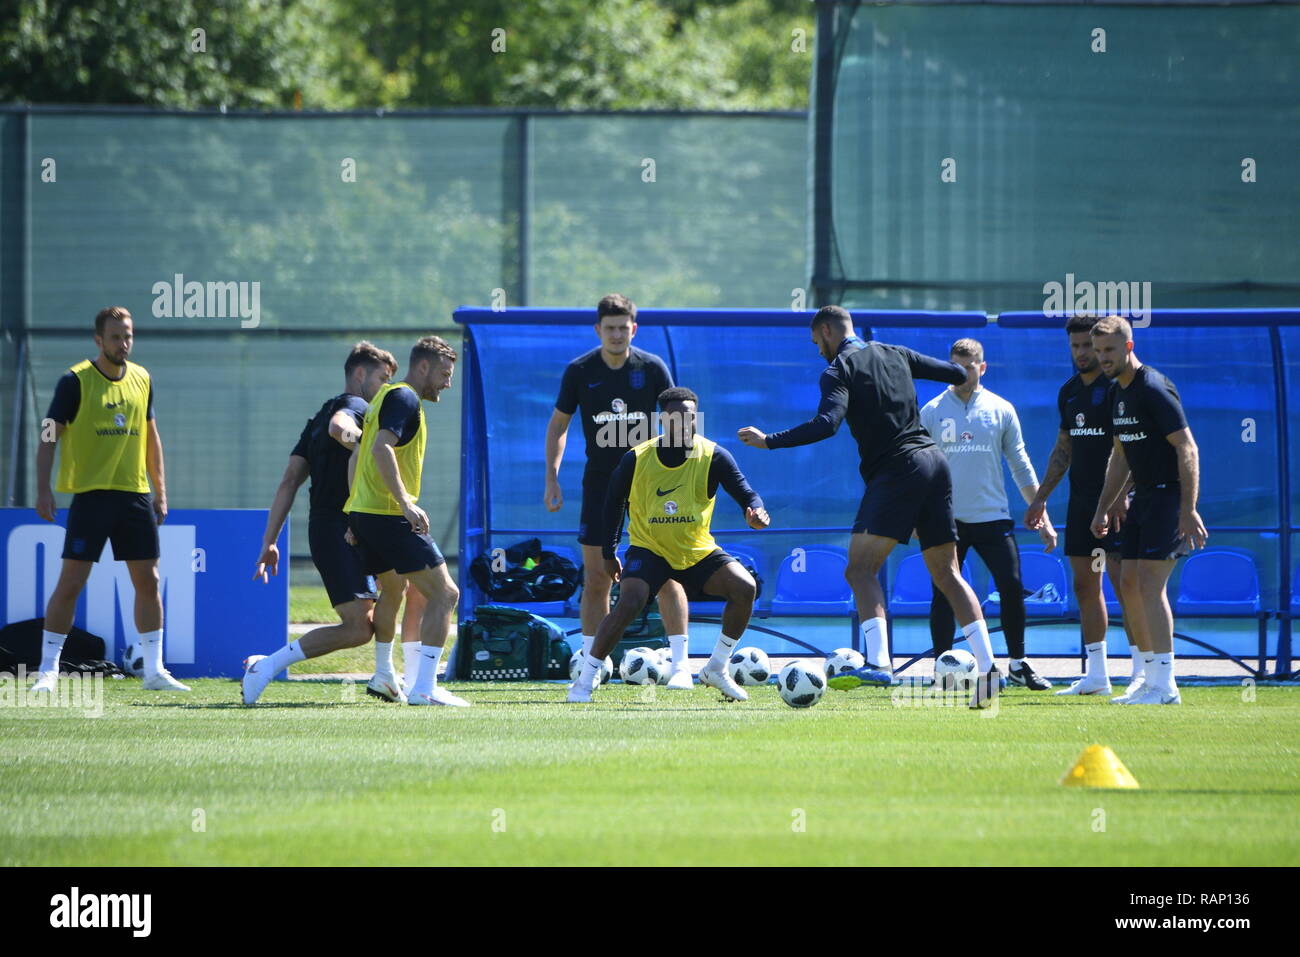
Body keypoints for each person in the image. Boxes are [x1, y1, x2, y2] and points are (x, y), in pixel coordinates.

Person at [738, 305, 1001, 709]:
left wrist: (768, 440)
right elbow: (957, 374)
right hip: (934, 463)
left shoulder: (839, 368)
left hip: (898, 470)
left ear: (827, 332)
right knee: (948, 574)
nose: (818, 351)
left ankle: (880, 662)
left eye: (816, 342)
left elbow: (826, 424)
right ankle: (988, 669)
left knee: (859, 569)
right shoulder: (895, 352)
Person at [244, 336, 465, 707]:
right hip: (367, 518)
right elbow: (355, 438)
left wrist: (275, 538)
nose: (448, 382)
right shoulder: (369, 403)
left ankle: (387, 675)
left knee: (398, 588)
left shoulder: (352, 407)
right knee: (415, 604)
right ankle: (267, 667)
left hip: (356, 516)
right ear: (360, 374)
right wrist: (403, 502)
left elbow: (304, 474)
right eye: (445, 373)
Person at [567, 387, 769, 703]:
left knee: (745, 588)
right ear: (663, 420)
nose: (683, 422)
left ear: (695, 418)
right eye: (675, 417)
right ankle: (585, 681)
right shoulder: (636, 458)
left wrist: (756, 511)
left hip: (696, 551)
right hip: (650, 550)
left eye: (689, 416)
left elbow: (748, 494)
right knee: (630, 602)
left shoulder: (713, 456)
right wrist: (610, 552)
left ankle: (716, 667)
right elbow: (613, 505)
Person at [31, 306, 188, 693]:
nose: (124, 343)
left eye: (129, 335)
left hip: (134, 496)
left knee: (148, 581)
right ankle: (48, 670)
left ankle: (154, 671)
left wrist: (160, 492)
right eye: (116, 337)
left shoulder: (142, 378)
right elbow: (49, 434)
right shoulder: (74, 381)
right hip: (90, 497)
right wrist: (42, 488)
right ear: (98, 340)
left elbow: (152, 439)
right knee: (71, 582)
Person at [545, 294, 695, 687]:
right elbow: (558, 425)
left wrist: (682, 473)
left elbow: (679, 421)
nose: (615, 334)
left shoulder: (653, 368)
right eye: (608, 328)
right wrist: (552, 477)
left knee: (666, 574)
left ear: (634, 329)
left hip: (651, 485)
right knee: (596, 579)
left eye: (622, 327)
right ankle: (594, 667)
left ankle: (681, 665)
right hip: (600, 485)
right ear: (598, 330)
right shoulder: (580, 371)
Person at [919, 338, 1057, 690]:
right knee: (942, 592)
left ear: (982, 367)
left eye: (968, 366)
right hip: (945, 520)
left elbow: (1021, 465)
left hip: (993, 518)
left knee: (1011, 586)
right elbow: (916, 469)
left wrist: (1042, 514)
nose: (961, 372)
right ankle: (944, 670)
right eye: (954, 366)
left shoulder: (1001, 409)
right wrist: (917, 516)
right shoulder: (932, 410)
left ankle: (1018, 664)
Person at [1089, 316, 1208, 705]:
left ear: (1128, 346)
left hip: (1168, 498)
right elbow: (1122, 455)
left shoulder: (1154, 387)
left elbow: (1186, 447)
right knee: (1132, 585)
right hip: (1142, 498)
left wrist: (1188, 509)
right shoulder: (1115, 393)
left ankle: (1166, 685)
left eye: (1109, 350)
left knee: (1151, 587)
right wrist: (1104, 507)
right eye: (1098, 351)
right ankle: (1146, 678)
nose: (1103, 358)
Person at [1025, 315, 1139, 697]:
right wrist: (1040, 498)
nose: (1081, 353)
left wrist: (1122, 494)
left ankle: (1142, 673)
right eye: (1074, 346)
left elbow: (1137, 448)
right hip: (1082, 506)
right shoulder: (1069, 392)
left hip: (1119, 504)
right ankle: (1097, 676)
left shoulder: (1120, 388)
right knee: (1086, 584)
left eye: (1087, 346)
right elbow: (1063, 450)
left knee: (1128, 586)